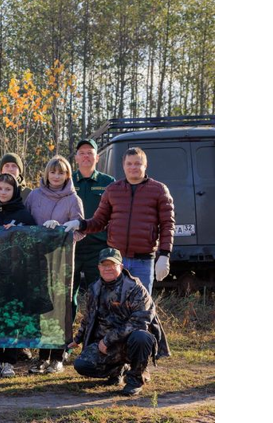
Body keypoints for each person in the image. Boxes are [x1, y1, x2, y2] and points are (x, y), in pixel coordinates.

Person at [64, 147, 175, 294]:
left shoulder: (159, 190)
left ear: (145, 165)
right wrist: (80, 224)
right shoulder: (113, 190)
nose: (133, 167)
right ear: (123, 166)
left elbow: (168, 224)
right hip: (115, 260)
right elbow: (99, 221)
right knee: (114, 304)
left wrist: (165, 255)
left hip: (143, 261)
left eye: (137, 163)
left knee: (141, 305)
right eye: (129, 164)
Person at [69, 248, 170, 396]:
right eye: (104, 265)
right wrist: (77, 339)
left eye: (112, 264)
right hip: (106, 345)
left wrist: (108, 340)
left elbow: (139, 322)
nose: (108, 268)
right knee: (82, 365)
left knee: (142, 337)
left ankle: (136, 378)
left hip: (130, 343)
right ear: (99, 267)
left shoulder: (136, 289)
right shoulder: (94, 288)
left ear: (121, 267)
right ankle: (118, 370)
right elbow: (88, 318)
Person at [25, 156, 85, 375]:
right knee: (43, 307)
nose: (57, 176)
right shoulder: (34, 196)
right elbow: (26, 223)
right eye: (53, 172)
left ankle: (58, 356)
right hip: (38, 261)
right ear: (47, 174)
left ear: (67, 175)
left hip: (62, 261)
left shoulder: (73, 199)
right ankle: (42, 357)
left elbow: (80, 231)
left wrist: (61, 231)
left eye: (61, 172)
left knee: (61, 307)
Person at [0, 173, 36, 377]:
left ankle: (9, 361)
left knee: (11, 317)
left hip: (15, 274)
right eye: (0, 188)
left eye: (8, 189)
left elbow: (33, 241)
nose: (3, 193)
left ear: (15, 191)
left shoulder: (23, 214)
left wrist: (17, 232)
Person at [71, 139, 116, 306]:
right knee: (68, 298)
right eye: (82, 153)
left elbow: (115, 214)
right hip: (72, 247)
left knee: (100, 296)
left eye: (90, 153)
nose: (86, 156)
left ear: (97, 158)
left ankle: (98, 331)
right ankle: (68, 331)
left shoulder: (108, 182)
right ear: (76, 158)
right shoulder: (67, 181)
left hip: (98, 247)